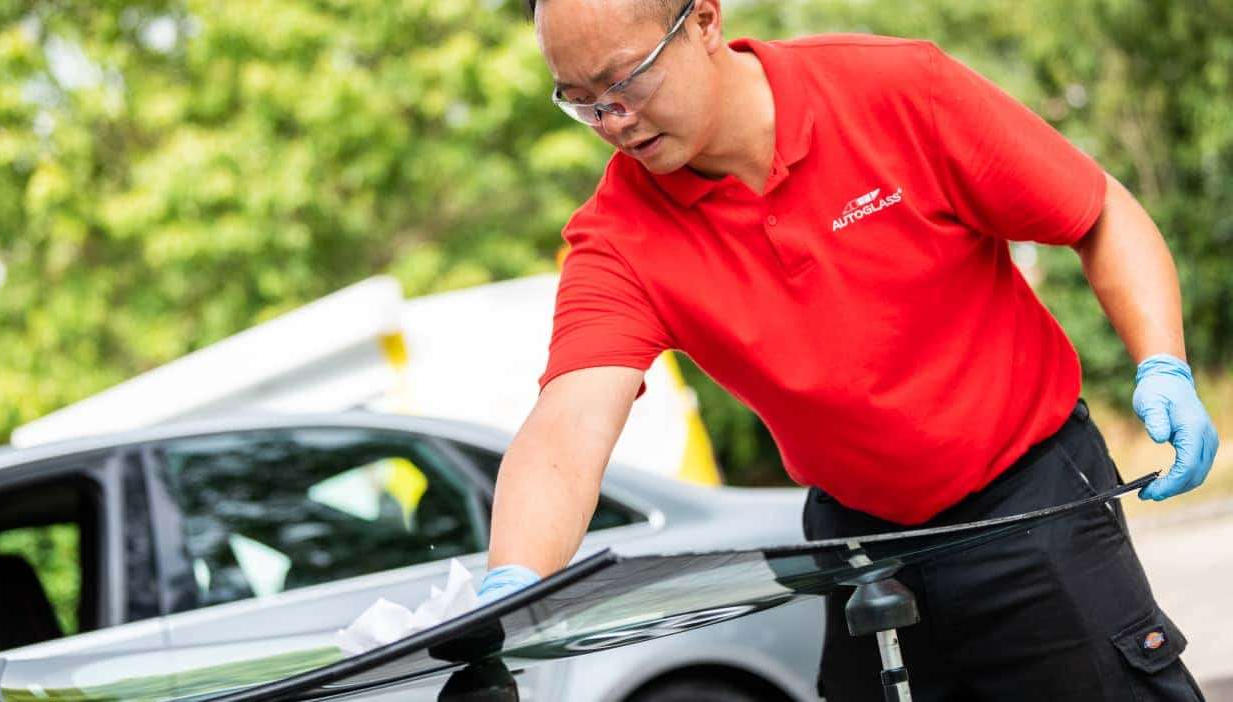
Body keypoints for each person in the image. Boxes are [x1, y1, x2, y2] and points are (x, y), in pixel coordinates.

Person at [480, 0, 1220, 699]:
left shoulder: (896, 91)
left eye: (625, 82)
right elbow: (571, 420)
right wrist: (514, 583)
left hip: (1031, 502)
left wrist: (1162, 363)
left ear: (703, 19)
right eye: (579, 100)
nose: (612, 119)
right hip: (862, 544)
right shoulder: (619, 237)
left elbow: (1097, 213)